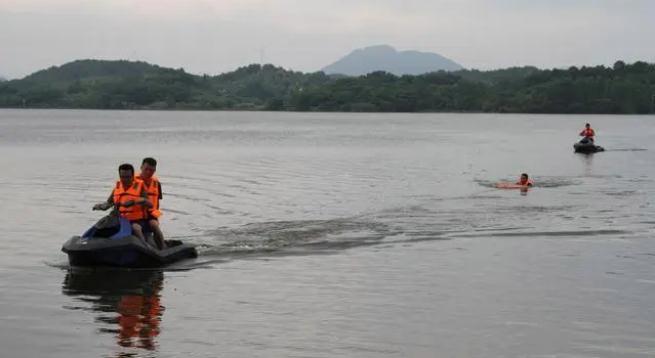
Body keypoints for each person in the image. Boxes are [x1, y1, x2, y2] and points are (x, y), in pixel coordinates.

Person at [93, 163, 152, 242]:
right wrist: (100, 206)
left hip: (137, 220)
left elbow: (150, 204)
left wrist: (135, 201)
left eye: (128, 177)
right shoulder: (117, 187)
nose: (125, 180)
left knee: (136, 228)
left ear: (132, 176)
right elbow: (109, 203)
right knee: (102, 225)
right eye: (122, 177)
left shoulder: (140, 186)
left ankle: (145, 247)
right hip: (120, 220)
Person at [136, 157, 166, 250]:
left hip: (151, 213)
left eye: (152, 170)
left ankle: (162, 249)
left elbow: (157, 201)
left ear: (155, 170)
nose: (149, 172)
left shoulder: (156, 183)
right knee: (136, 228)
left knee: (154, 225)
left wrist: (154, 215)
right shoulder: (132, 181)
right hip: (136, 213)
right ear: (141, 167)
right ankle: (144, 247)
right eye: (146, 169)